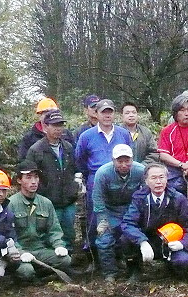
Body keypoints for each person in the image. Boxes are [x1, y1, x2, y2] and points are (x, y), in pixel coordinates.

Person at [75, 98, 133, 270]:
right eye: (103, 112)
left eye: (110, 112)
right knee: (95, 218)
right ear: (96, 114)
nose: (107, 116)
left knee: (122, 215)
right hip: (95, 179)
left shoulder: (123, 134)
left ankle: (118, 254)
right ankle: (93, 256)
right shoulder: (87, 136)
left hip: (119, 178)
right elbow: (80, 159)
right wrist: (89, 177)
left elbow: (130, 154)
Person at [120, 163, 188, 281]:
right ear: (146, 181)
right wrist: (142, 241)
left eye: (161, 177)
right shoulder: (139, 198)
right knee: (125, 240)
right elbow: (128, 223)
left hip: (171, 242)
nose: (158, 182)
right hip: (147, 240)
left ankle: (171, 267)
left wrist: (182, 243)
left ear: (167, 179)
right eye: (153, 178)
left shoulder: (178, 198)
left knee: (184, 261)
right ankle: (134, 270)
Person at [7, 161, 72, 283]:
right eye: (28, 177)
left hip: (40, 250)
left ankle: (38, 273)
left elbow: (54, 229)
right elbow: (8, 236)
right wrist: (20, 252)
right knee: (26, 271)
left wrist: (59, 245)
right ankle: (24, 274)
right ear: (19, 180)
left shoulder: (46, 203)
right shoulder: (11, 204)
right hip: (20, 251)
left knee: (66, 260)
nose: (33, 181)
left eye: (36, 177)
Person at [26, 110, 79, 253]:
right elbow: (29, 174)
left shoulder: (68, 147)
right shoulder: (36, 150)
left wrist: (75, 186)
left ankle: (67, 263)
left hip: (68, 200)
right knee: (48, 234)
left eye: (60, 125)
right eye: (54, 125)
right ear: (45, 127)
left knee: (68, 234)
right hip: (47, 200)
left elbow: (74, 169)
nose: (58, 129)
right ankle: (50, 265)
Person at [93, 144, 145, 281]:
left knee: (133, 237)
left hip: (132, 209)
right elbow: (97, 198)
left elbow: (146, 193)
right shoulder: (103, 173)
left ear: (132, 159)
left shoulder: (141, 171)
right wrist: (102, 219)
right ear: (113, 160)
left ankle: (134, 270)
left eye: (127, 161)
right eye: (119, 161)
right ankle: (110, 273)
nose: (123, 165)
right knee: (104, 240)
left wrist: (141, 214)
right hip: (109, 210)